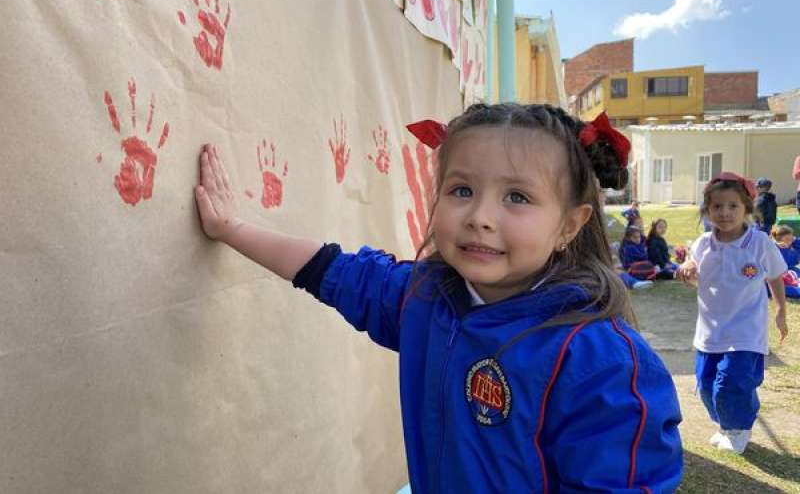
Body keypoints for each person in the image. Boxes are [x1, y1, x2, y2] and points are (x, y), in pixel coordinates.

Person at [195, 104, 683, 491]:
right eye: (462, 189)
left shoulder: (600, 360)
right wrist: (230, 229)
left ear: (569, 225)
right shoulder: (425, 298)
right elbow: (332, 270)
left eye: (517, 197)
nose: (480, 216)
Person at [677, 172, 789, 455]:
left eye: (732, 206)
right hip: (709, 332)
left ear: (747, 208)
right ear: (707, 210)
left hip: (745, 332)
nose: (724, 213)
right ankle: (727, 424)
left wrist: (780, 311)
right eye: (717, 207)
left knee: (731, 382)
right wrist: (687, 270)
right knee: (705, 385)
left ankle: (739, 427)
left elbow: (775, 277)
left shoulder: (760, 243)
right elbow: (698, 280)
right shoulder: (702, 244)